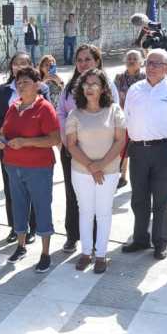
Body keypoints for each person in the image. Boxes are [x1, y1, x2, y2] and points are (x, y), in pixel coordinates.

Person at [122, 49, 167, 259]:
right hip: (138, 150)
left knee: (161, 200)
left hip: (164, 150)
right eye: (149, 63)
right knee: (139, 198)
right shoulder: (135, 89)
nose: (150, 67)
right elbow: (127, 117)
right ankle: (140, 238)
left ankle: (160, 242)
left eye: (156, 64)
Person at [57, 44, 121, 254]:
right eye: (80, 60)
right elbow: (61, 113)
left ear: (97, 61)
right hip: (73, 151)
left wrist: (101, 161)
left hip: (102, 156)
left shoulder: (107, 85)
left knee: (99, 204)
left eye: (88, 59)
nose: (83, 64)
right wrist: (67, 142)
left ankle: (96, 242)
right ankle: (73, 236)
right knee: (74, 197)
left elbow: (114, 121)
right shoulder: (69, 86)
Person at [0, 67, 61, 272]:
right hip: (13, 166)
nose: (21, 85)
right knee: (19, 206)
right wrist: (1, 141)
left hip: (38, 168)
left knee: (42, 207)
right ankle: (21, 245)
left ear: (37, 85)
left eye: (26, 81)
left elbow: (54, 139)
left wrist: (25, 142)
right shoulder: (14, 107)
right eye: (19, 82)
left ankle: (45, 253)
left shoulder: (44, 108)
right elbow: (4, 131)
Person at [64, 68, 126, 274]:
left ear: (102, 89)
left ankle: (101, 254)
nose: (89, 88)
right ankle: (85, 252)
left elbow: (120, 141)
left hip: (107, 172)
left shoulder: (114, 110)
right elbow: (71, 145)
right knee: (86, 212)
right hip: (82, 172)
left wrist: (100, 165)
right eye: (86, 84)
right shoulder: (75, 113)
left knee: (104, 212)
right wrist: (91, 166)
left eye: (94, 84)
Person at [0, 52, 45, 244]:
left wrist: (27, 139)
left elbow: (44, 114)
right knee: (11, 189)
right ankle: (16, 227)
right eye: (16, 63)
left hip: (32, 147)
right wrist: (3, 136)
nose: (19, 66)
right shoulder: (2, 90)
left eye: (24, 63)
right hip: (8, 147)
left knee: (31, 189)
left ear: (31, 66)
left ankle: (32, 228)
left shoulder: (42, 88)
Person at [114, 50, 146, 188]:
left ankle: (139, 177)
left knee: (139, 149)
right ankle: (123, 175)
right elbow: (114, 96)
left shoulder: (145, 77)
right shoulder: (119, 77)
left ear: (140, 62)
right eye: (129, 59)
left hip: (141, 119)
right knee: (123, 146)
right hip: (122, 118)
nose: (131, 61)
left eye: (134, 59)